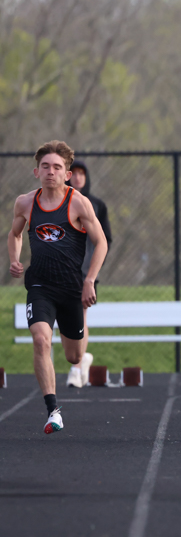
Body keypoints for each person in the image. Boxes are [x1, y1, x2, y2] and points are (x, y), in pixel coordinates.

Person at [7, 141, 108, 434]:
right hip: (39, 285)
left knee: (73, 356)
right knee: (40, 339)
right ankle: (53, 410)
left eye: (58, 168)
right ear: (36, 171)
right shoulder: (25, 202)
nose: (51, 172)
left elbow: (100, 242)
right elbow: (14, 234)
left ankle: (82, 358)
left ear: (66, 174)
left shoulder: (78, 203)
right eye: (46, 167)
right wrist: (14, 258)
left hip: (71, 288)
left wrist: (89, 280)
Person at [64, 160, 112, 388]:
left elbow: (105, 239)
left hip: (84, 272)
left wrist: (93, 269)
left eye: (83, 174)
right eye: (75, 173)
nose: (78, 178)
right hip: (60, 271)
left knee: (80, 317)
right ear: (68, 175)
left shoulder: (96, 205)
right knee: (63, 319)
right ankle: (81, 360)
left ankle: (76, 368)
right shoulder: (58, 202)